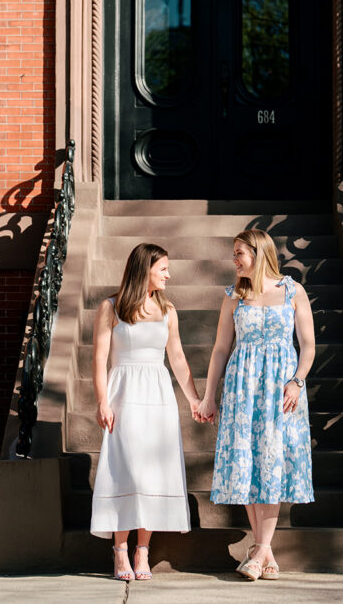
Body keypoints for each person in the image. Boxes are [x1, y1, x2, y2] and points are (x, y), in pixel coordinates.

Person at [197, 228, 316, 581]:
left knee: (273, 462)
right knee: (248, 463)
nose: (234, 260)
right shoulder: (234, 296)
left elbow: (308, 345)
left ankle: (258, 550)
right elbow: (220, 349)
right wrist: (208, 395)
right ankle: (264, 552)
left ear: (259, 252)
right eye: (234, 254)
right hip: (242, 388)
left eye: (239, 254)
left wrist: (297, 381)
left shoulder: (293, 291)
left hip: (282, 389)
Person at [90, 242, 202, 580]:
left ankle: (143, 551)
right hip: (123, 394)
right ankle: (120, 550)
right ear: (145, 269)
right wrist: (102, 401)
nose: (169, 274)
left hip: (158, 395)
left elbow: (178, 359)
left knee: (153, 472)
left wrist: (195, 400)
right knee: (127, 470)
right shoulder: (111, 307)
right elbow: (98, 359)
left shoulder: (168, 310)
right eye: (163, 268)